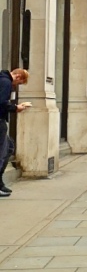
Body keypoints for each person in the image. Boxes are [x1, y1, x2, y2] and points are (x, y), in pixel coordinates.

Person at [0, 68, 31, 196]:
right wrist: (15, 108)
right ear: (18, 76)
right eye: (19, 83)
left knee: (9, 147)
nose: (16, 85)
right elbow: (1, 103)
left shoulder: (3, 79)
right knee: (3, 152)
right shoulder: (6, 82)